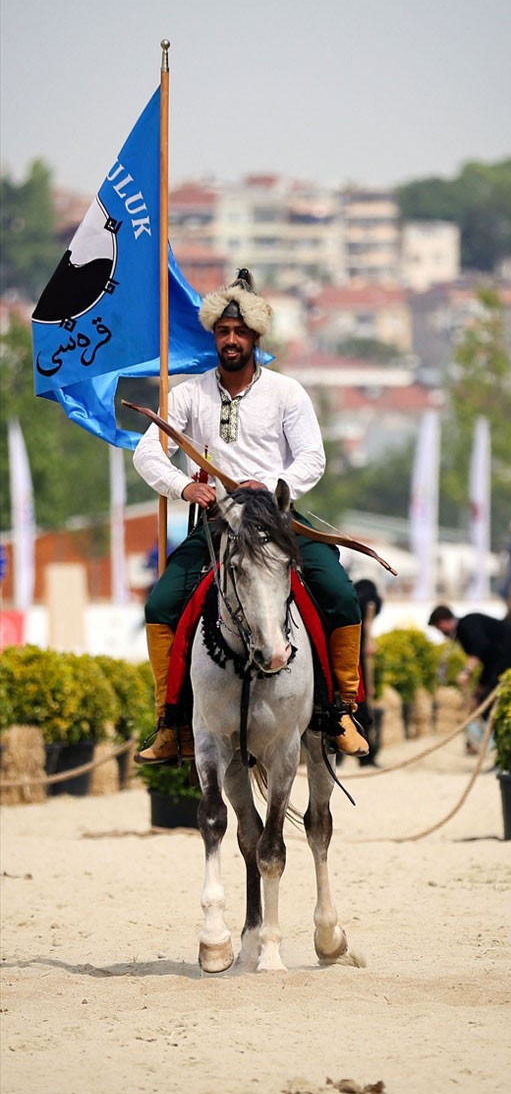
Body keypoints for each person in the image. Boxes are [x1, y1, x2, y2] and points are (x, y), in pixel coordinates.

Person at [132, 268, 369, 765]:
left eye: (241, 332)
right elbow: (147, 454)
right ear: (214, 337)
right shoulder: (187, 395)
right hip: (219, 524)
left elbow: (312, 458)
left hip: (278, 521)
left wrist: (276, 487)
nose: (232, 339)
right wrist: (183, 485)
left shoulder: (287, 392)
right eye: (224, 332)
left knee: (341, 595)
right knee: (160, 605)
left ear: (256, 338)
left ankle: (342, 711)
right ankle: (171, 722)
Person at [427, 604, 511, 707]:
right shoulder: (463, 632)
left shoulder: (467, 624)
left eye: (438, 628)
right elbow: (489, 662)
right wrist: (478, 692)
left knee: (495, 699)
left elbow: (479, 646)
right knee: (485, 698)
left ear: (442, 623)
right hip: (505, 657)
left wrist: (467, 672)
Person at [353, 578, 383, 768]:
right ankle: (366, 755)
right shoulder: (371, 603)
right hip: (357, 665)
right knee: (361, 706)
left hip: (353, 660)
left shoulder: (352, 603)